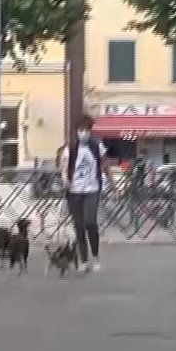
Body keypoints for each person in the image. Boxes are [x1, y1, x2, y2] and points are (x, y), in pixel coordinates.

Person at [64, 115, 106, 273]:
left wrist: (113, 187)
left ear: (90, 130)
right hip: (74, 191)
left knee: (90, 222)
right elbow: (64, 168)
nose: (83, 133)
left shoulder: (96, 146)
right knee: (79, 226)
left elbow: (105, 165)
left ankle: (95, 256)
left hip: (92, 190)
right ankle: (83, 260)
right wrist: (65, 180)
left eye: (86, 130)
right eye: (81, 130)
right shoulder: (71, 148)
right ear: (76, 131)